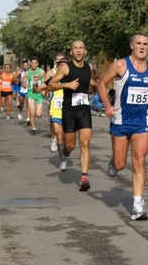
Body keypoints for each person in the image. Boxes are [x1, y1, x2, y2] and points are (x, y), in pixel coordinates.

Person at [97, 33, 148, 220]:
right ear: (131, 45)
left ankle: (138, 205)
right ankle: (113, 163)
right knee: (121, 164)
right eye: (138, 43)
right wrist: (107, 106)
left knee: (139, 161)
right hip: (121, 121)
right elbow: (101, 83)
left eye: (145, 44)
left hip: (141, 122)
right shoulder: (120, 65)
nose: (141, 47)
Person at [47, 40, 96, 191]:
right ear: (71, 52)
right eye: (75, 48)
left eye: (81, 48)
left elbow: (89, 86)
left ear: (85, 51)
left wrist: (93, 86)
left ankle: (84, 178)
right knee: (70, 146)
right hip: (68, 112)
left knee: (85, 143)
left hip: (84, 110)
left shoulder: (89, 67)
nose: (79, 51)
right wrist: (66, 85)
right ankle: (66, 151)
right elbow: (50, 85)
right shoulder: (65, 68)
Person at [36, 55, 69, 171]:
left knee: (67, 139)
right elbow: (40, 88)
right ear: (58, 65)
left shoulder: (71, 78)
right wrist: (36, 86)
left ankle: (64, 151)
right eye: (61, 64)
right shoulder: (52, 77)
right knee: (59, 135)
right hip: (55, 110)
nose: (63, 66)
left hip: (68, 111)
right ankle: (63, 161)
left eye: (65, 64)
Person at [23, 57, 46, 135]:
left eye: (35, 63)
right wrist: (25, 85)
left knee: (38, 115)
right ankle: (33, 128)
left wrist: (44, 90)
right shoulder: (27, 72)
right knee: (32, 112)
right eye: (32, 63)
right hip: (31, 94)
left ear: (37, 63)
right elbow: (23, 82)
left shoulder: (42, 72)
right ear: (30, 64)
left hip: (39, 95)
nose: (33, 64)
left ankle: (34, 124)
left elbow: (46, 82)